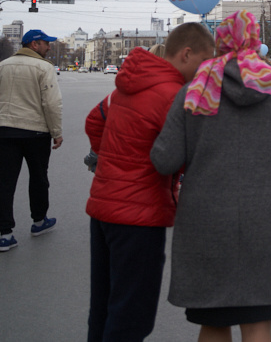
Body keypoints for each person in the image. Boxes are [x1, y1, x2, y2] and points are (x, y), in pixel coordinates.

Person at [150, 11, 271, 341]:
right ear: (254, 40)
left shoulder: (197, 89)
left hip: (206, 222)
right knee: (258, 323)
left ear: (220, 44)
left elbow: (165, 159)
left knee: (214, 322)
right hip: (268, 221)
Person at [85, 23, 216, 342]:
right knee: (132, 317)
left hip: (103, 209)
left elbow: (93, 121)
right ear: (186, 54)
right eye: (203, 62)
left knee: (103, 308)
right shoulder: (173, 95)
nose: (205, 72)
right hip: (139, 219)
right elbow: (185, 155)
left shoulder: (127, 85)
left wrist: (116, 162)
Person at [0, 29, 64, 253]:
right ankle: (39, 222)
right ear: (34, 44)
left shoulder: (2, 66)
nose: (49, 47)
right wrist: (56, 132)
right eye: (46, 44)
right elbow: (51, 103)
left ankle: (5, 235)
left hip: (6, 133)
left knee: (5, 183)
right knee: (38, 178)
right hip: (36, 134)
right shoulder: (44, 67)